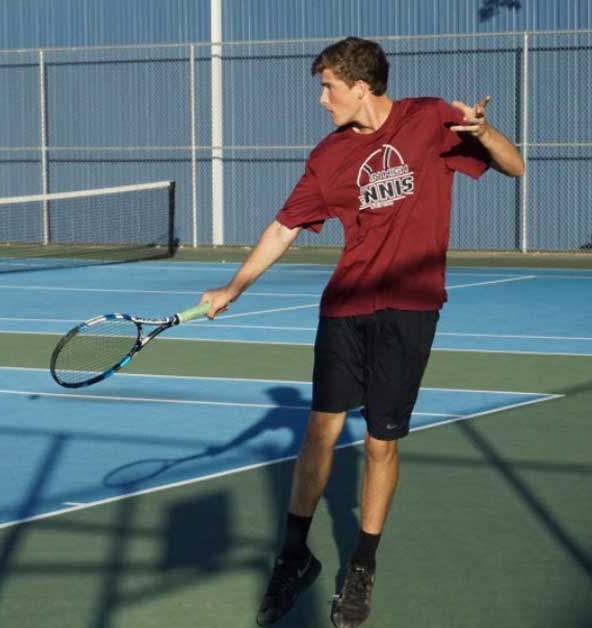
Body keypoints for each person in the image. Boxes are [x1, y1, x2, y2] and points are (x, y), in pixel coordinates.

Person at [198, 37, 524, 628]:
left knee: (380, 442)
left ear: (360, 86)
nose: (322, 100)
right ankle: (294, 557)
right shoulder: (326, 159)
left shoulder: (430, 119)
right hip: (345, 306)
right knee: (319, 432)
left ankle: (363, 566)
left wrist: (482, 132)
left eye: (328, 87)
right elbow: (282, 227)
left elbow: (514, 165)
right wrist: (234, 287)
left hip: (411, 308)